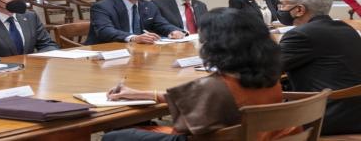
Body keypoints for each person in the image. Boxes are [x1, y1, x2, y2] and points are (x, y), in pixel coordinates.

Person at [103, 8, 298, 141]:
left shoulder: (215, 86)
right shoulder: (267, 72)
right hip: (258, 135)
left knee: (115, 135)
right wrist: (141, 94)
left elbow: (184, 130)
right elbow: (209, 99)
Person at [278, 0, 361, 135]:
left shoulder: (301, 35)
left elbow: (264, 69)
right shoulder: (347, 29)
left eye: (284, 5)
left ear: (299, 10)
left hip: (324, 117)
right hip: (354, 113)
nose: (281, 9)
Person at [85, 0, 186, 45]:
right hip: (106, 51)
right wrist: (133, 38)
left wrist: (174, 31)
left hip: (138, 51)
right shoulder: (102, 6)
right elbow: (105, 31)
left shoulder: (149, 5)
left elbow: (161, 24)